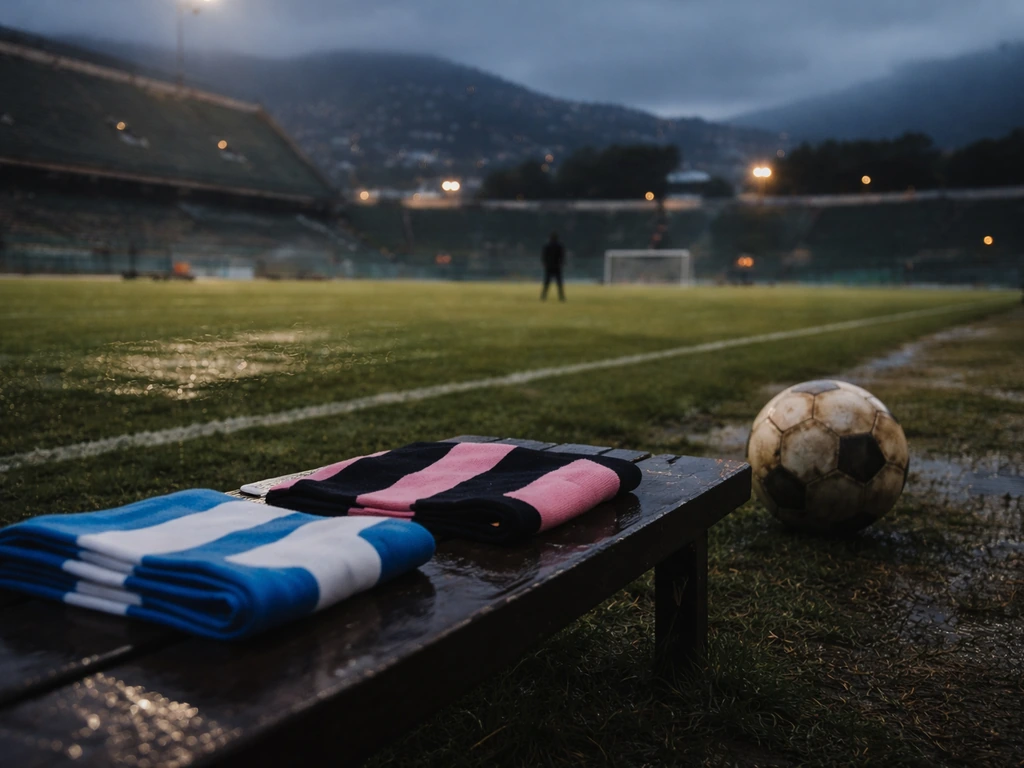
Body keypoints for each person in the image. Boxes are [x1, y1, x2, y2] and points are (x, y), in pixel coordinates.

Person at [541, 231, 566, 301]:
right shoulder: (559, 246)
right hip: (557, 267)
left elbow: (544, 256)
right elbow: (562, 256)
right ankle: (561, 297)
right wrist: (562, 263)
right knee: (559, 283)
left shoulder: (547, 246)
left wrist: (545, 263)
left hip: (549, 267)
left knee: (546, 283)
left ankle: (543, 296)